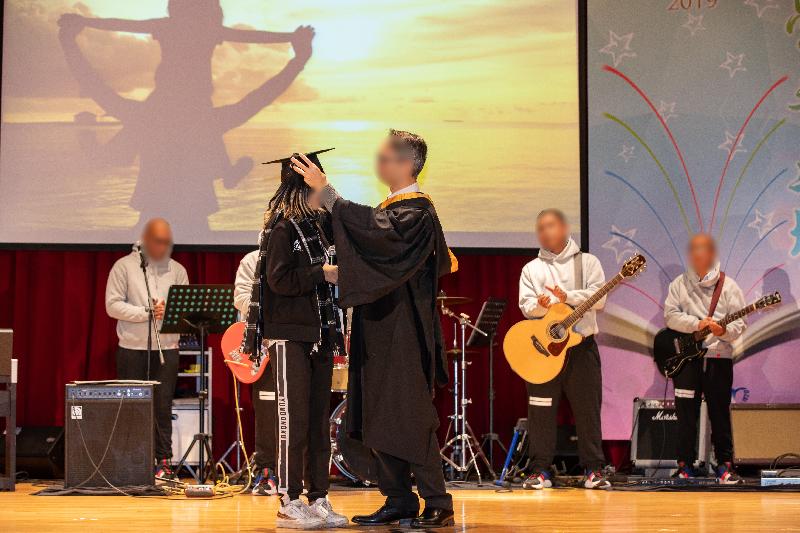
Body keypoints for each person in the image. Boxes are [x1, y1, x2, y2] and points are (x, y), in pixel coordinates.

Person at [293, 130, 456, 529]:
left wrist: (328, 193)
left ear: (404, 163)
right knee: (379, 415)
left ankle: (438, 501)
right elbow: (367, 234)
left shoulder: (416, 213)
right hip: (379, 327)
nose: (377, 162)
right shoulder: (394, 208)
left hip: (403, 331)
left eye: (383, 157)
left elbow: (377, 233)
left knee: (410, 415)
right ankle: (398, 499)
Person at [262, 152, 348, 529]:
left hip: (321, 335)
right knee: (292, 422)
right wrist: (321, 273)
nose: (320, 188)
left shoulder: (322, 227)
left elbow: (349, 223)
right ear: (300, 185)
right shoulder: (282, 230)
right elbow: (278, 281)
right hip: (290, 336)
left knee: (317, 424)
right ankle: (288, 500)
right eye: (314, 182)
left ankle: (318, 497)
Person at [517, 209, 610, 490]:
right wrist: (543, 304)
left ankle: (594, 469)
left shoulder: (588, 263)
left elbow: (600, 299)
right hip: (544, 350)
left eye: (549, 226)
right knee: (541, 410)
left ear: (565, 228)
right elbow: (525, 306)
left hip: (581, 348)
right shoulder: (532, 268)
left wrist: (566, 297)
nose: (544, 232)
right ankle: (540, 470)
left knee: (587, 410)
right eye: (540, 227)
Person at [105, 218, 188, 478]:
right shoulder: (124, 267)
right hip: (132, 348)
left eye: (167, 242)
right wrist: (147, 312)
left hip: (167, 348)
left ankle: (163, 461)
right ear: (146, 240)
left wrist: (171, 311)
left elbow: (185, 308)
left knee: (162, 407)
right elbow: (112, 305)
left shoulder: (177, 270)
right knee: (131, 407)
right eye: (159, 241)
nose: (164, 247)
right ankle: (132, 461)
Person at [664, 233, 746, 484]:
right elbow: (670, 316)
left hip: (718, 358)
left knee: (719, 412)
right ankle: (684, 465)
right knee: (685, 413)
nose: (698, 255)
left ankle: (724, 464)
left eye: (703, 249)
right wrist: (696, 324)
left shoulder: (729, 286)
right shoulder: (679, 283)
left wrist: (724, 330)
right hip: (686, 361)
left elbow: (740, 323)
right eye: (694, 250)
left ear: (712, 254)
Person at [233, 247, 278, 496]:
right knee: (266, 410)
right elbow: (240, 297)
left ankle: (294, 472)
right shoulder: (251, 260)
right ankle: (266, 470)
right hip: (262, 348)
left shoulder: (298, 257)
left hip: (293, 344)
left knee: (295, 410)